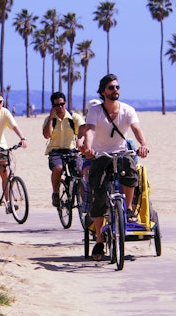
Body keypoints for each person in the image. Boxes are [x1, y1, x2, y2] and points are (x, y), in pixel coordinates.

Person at [83, 73, 149, 261]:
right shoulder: (95, 110)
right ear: (103, 91)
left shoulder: (127, 110)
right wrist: (88, 148)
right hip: (100, 154)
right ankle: (99, 239)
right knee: (99, 193)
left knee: (130, 171)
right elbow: (90, 130)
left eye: (117, 87)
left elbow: (136, 129)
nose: (115, 90)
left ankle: (127, 209)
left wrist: (143, 144)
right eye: (111, 88)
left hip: (120, 152)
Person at [42, 91, 86, 208]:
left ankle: (84, 201)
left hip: (71, 150)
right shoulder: (50, 119)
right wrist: (51, 117)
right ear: (53, 106)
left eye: (62, 104)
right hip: (55, 151)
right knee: (58, 168)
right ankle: (56, 193)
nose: (60, 107)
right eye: (56, 105)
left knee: (80, 170)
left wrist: (80, 141)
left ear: (65, 103)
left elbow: (83, 130)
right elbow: (47, 135)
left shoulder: (74, 117)